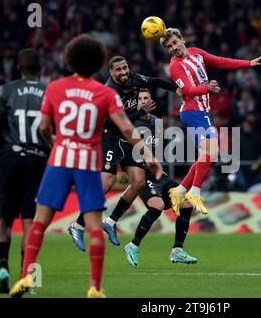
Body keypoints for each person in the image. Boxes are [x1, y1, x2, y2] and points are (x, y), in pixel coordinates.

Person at [9, 34, 162, 298]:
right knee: (93, 224)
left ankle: (25, 279)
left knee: (39, 222)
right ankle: (94, 287)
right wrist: (148, 154)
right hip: (86, 162)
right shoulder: (105, 92)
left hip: (59, 160)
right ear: (99, 63)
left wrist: (56, 141)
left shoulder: (55, 87)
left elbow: (44, 126)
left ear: (69, 60)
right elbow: (126, 127)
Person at [68, 56, 181, 250]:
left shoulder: (134, 79)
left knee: (138, 181)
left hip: (126, 138)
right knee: (106, 182)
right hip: (109, 137)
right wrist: (141, 111)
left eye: (125, 68)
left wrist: (177, 89)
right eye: (118, 70)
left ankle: (111, 222)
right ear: (111, 73)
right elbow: (116, 121)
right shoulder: (110, 91)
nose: (123, 72)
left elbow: (156, 81)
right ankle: (77, 225)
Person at [160, 28, 261, 215]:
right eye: (169, 47)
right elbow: (189, 90)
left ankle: (180, 190)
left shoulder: (196, 53)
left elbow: (221, 61)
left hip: (203, 112)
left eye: (175, 43)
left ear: (182, 39)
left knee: (207, 156)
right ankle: (195, 191)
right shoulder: (175, 67)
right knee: (212, 152)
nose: (173, 48)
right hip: (192, 112)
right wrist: (207, 88)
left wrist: (249, 63)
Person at [0, 49, 50, 294]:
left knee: (4, 220)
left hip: (9, 158)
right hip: (37, 158)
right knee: (30, 220)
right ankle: (26, 279)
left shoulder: (5, 90)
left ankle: (2, 268)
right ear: (40, 69)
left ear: (18, 67)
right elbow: (51, 128)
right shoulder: (48, 91)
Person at [123, 89, 197, 267]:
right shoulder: (130, 121)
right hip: (141, 173)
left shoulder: (157, 122)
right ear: (136, 102)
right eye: (139, 99)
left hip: (157, 175)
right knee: (158, 205)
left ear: (151, 100)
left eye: (146, 98)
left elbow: (156, 150)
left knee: (186, 203)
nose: (143, 101)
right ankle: (132, 245)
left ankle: (177, 250)